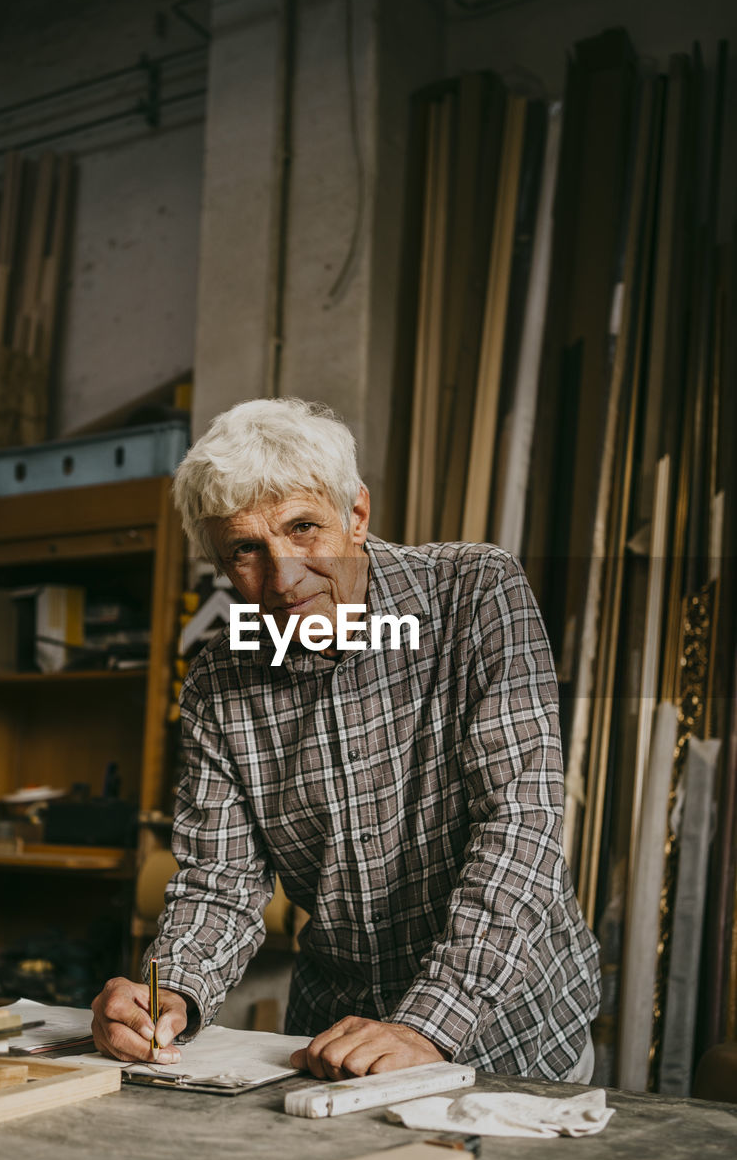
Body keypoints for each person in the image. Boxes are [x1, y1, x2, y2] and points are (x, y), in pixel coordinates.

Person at [91, 398, 600, 1081]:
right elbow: (220, 879)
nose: (283, 578)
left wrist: (426, 1025)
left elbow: (520, 827)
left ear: (355, 515)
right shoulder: (218, 678)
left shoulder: (475, 592)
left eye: (304, 528)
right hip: (334, 1031)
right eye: (245, 550)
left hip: (505, 1028)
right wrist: (167, 994)